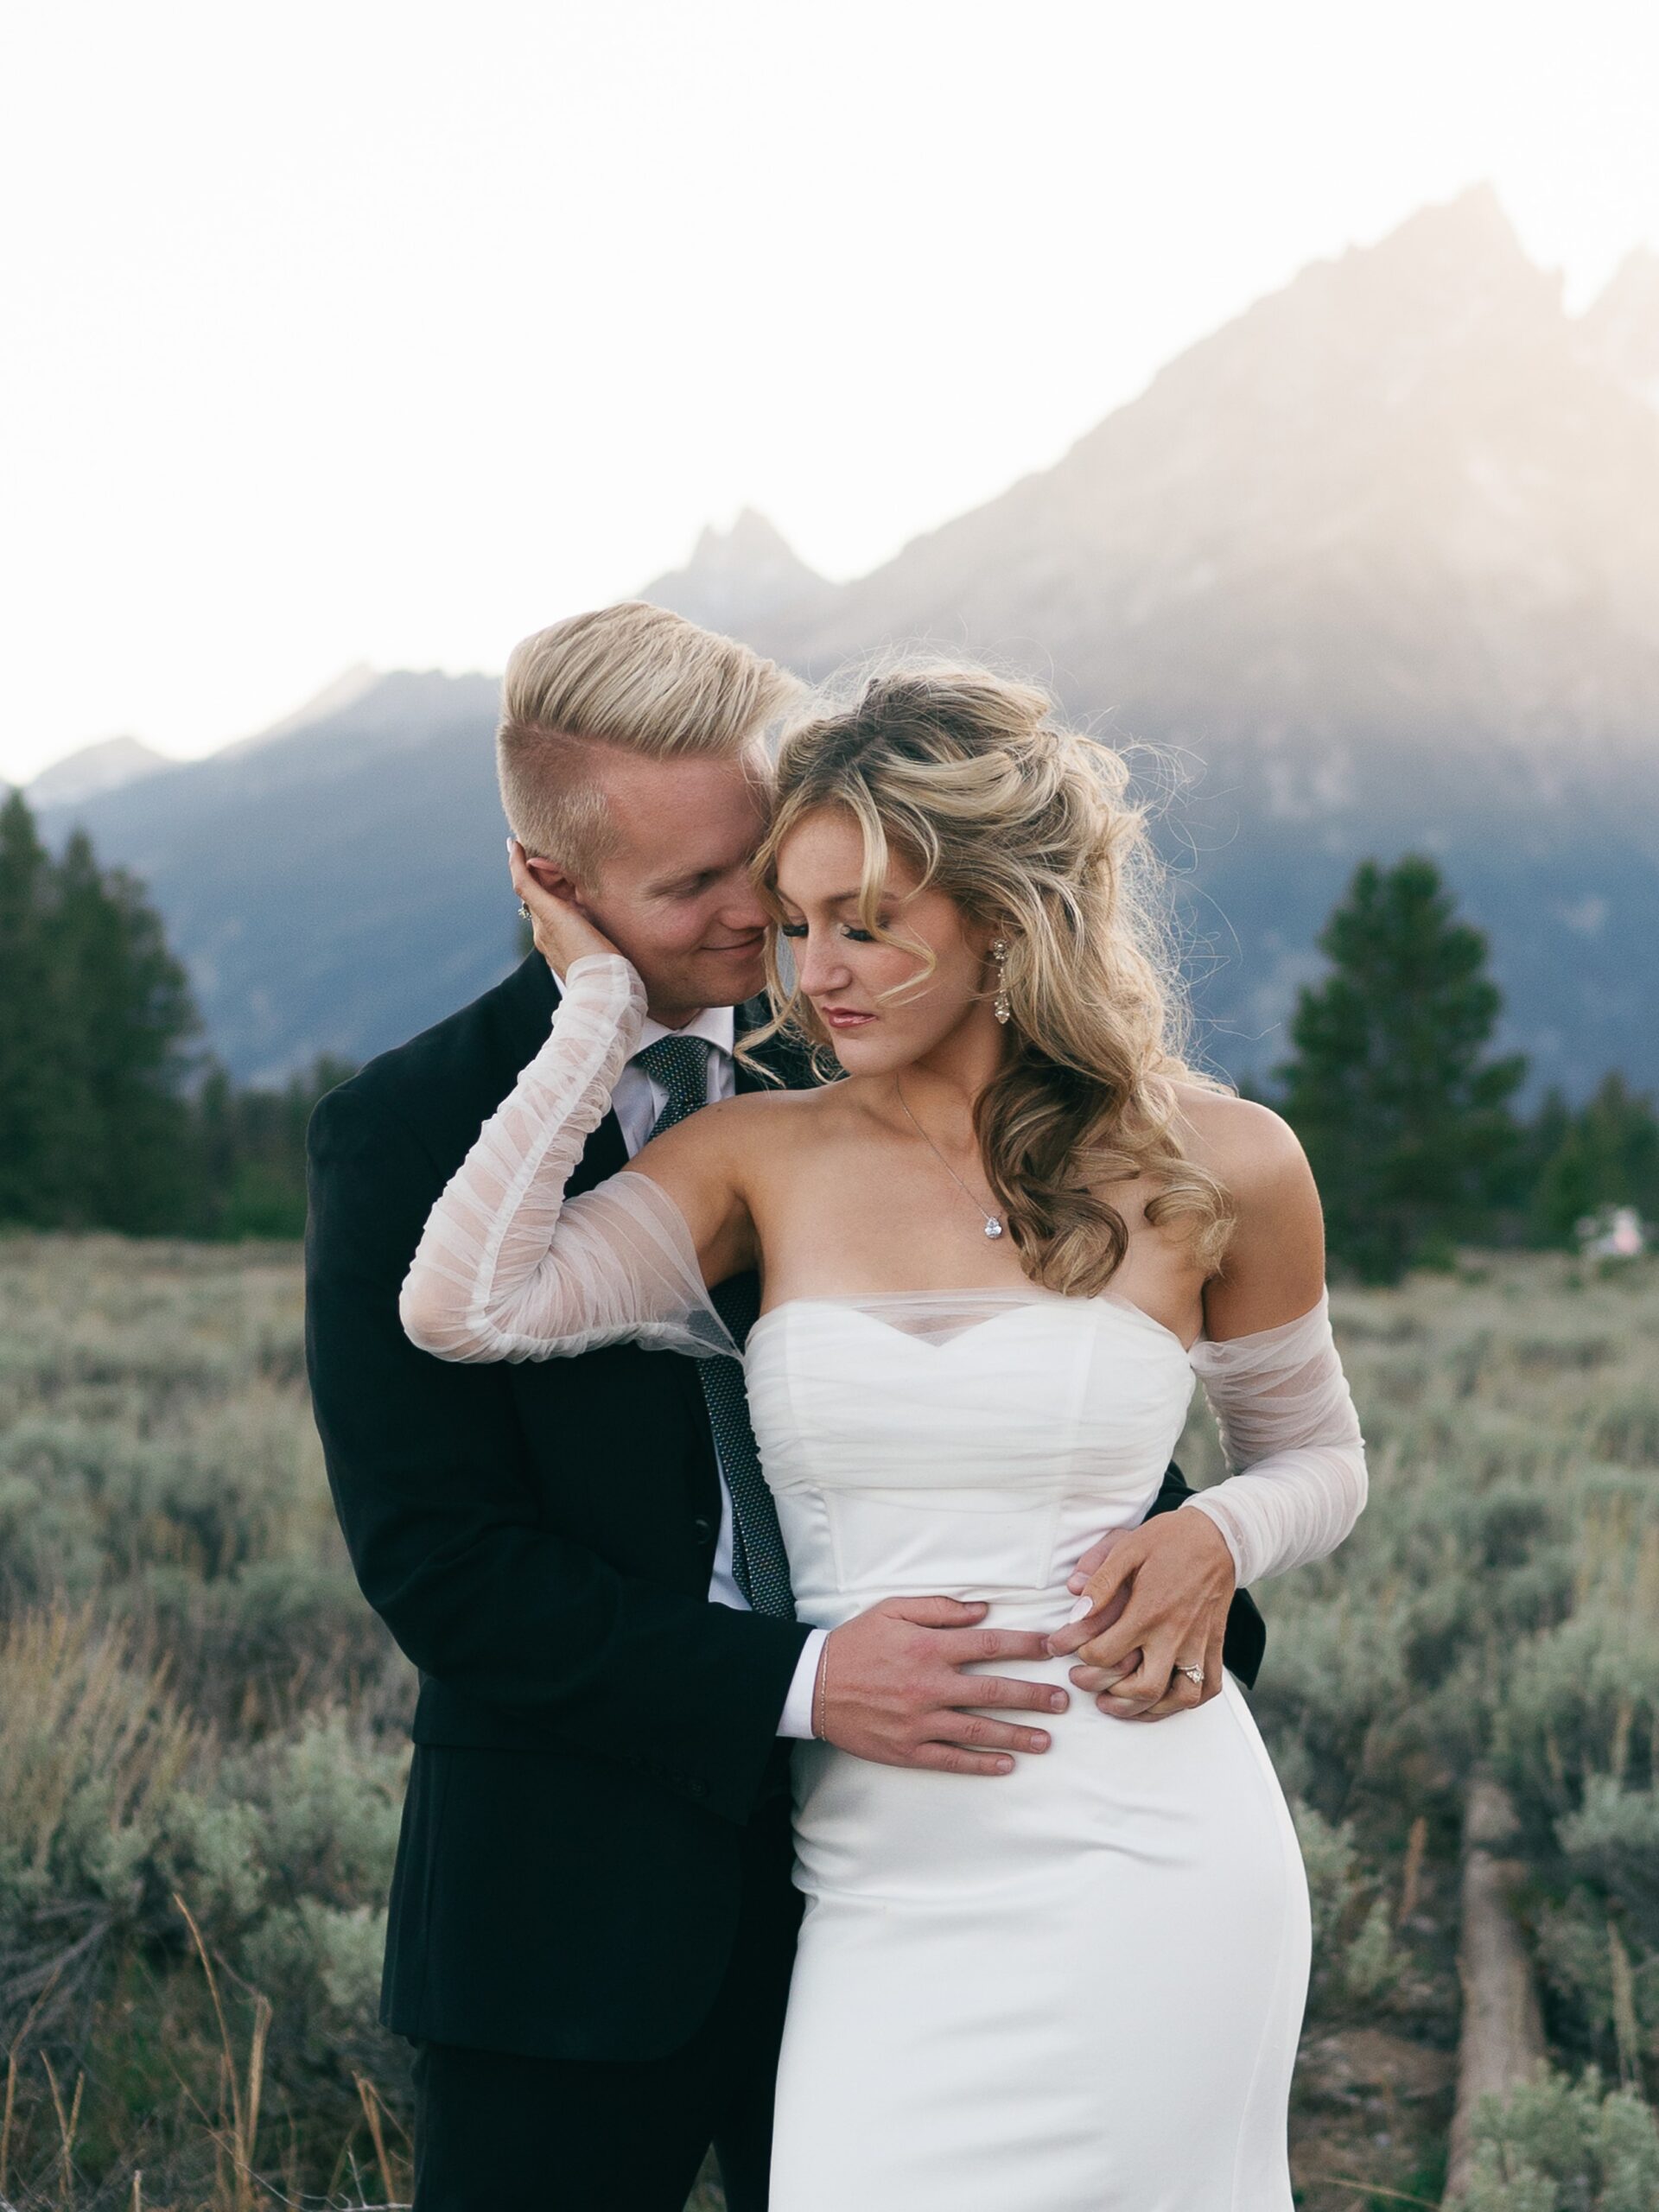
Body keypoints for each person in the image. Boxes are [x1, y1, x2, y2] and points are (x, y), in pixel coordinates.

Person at [304, 604, 1268, 2212]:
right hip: (570, 1921)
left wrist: (1199, 1570)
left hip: (939, 1872)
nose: (770, 921)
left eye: (776, 859)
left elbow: (1044, 1416)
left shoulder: (872, 1063)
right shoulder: (403, 1135)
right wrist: (807, 1684)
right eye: (696, 889)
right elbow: (443, 1569)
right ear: (556, 884)